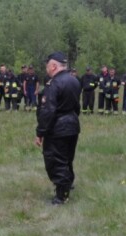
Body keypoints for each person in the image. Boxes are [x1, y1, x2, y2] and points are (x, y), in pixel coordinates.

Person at [35, 51, 81, 205]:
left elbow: (48, 110)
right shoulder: (74, 80)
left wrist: (40, 132)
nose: (47, 70)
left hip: (58, 128)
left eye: (48, 66)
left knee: (56, 160)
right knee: (67, 158)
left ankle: (61, 196)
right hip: (72, 125)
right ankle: (68, 184)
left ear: (53, 66)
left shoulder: (54, 84)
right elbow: (77, 106)